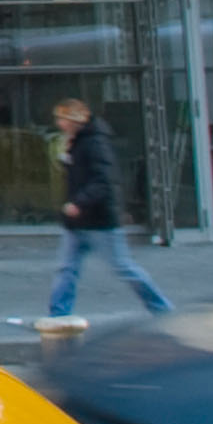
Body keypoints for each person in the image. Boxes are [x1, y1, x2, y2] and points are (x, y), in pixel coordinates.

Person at [41, 96, 172, 325]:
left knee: (123, 267)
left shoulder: (95, 143)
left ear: (74, 120)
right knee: (66, 268)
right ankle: (58, 315)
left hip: (99, 220)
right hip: (78, 220)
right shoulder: (76, 141)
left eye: (63, 120)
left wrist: (78, 202)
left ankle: (163, 310)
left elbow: (105, 181)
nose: (59, 124)